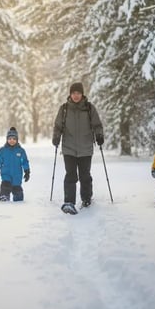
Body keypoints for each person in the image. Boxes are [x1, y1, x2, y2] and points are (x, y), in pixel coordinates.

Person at [52, 82, 104, 215]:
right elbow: (58, 126)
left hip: (85, 148)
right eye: (73, 93)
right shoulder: (64, 109)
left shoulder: (89, 108)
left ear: (82, 94)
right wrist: (56, 136)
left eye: (78, 93)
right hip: (69, 148)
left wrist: (99, 135)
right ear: (70, 94)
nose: (76, 96)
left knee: (85, 175)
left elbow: (97, 124)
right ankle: (69, 202)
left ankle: (86, 199)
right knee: (70, 175)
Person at [0, 127, 30, 201]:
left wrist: (27, 171)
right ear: (7, 139)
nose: (11, 141)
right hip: (6, 174)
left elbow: (25, 161)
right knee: (5, 186)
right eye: (9, 139)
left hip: (17, 175)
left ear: (17, 140)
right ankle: (4, 196)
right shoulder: (3, 150)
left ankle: (18, 198)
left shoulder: (21, 151)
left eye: (14, 139)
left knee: (17, 192)